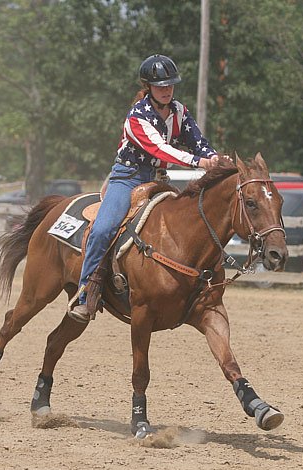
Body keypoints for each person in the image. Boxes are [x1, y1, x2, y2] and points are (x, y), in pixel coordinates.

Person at [68, 54, 221, 322]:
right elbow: (160, 149)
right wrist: (198, 161)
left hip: (158, 179)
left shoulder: (180, 112)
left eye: (170, 85)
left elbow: (198, 140)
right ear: (148, 87)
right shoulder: (137, 117)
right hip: (127, 179)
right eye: (160, 86)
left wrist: (214, 157)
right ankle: (84, 293)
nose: (166, 90)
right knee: (103, 228)